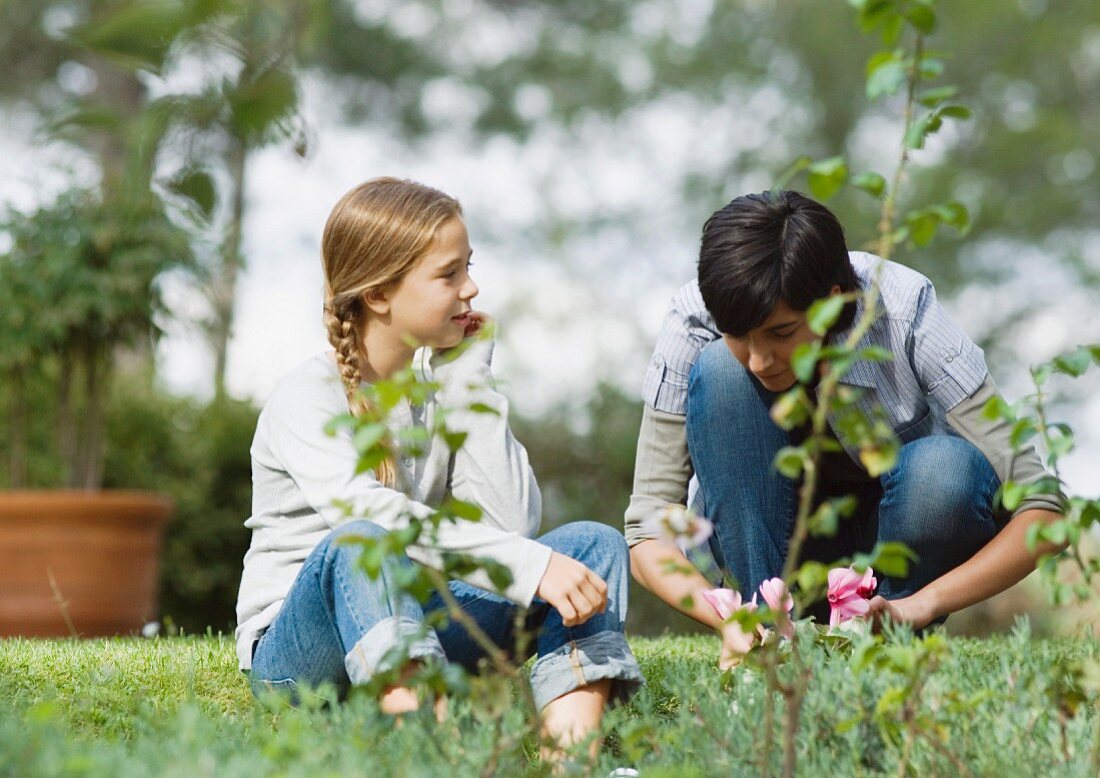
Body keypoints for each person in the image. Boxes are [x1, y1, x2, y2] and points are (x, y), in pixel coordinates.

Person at [236, 177, 642, 753]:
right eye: (448, 274)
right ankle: (442, 755)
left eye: (468, 268)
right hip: (300, 658)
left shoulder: (436, 391)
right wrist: (528, 566)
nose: (471, 289)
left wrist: (469, 379)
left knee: (591, 547)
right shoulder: (305, 397)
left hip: (414, 620)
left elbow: (511, 525)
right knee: (361, 543)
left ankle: (570, 762)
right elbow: (375, 518)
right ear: (379, 294)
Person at [625, 189, 1064, 665]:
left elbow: (1044, 509)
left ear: (832, 304)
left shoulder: (905, 309)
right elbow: (648, 526)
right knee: (722, 372)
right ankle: (769, 639)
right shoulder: (694, 318)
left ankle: (884, 643)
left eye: (781, 333)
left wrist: (917, 605)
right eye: (738, 336)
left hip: (894, 567)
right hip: (774, 553)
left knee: (945, 468)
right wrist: (730, 620)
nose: (758, 359)